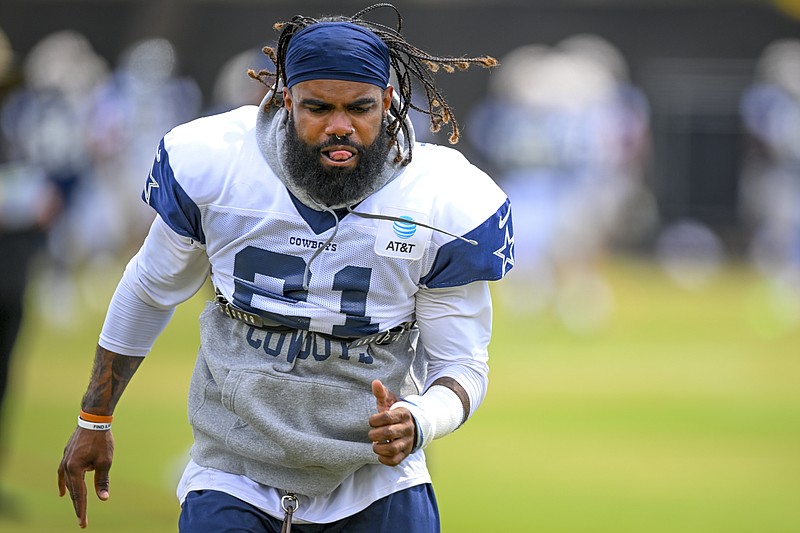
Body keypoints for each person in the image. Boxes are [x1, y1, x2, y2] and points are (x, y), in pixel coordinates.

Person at [57, 4, 514, 531]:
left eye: (360, 108)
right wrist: (94, 416)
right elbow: (150, 289)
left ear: (389, 102)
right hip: (234, 471)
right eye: (318, 107)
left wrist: (419, 419)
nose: (340, 127)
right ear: (282, 97)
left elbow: (462, 365)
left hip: (374, 478)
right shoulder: (220, 165)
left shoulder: (440, 197)